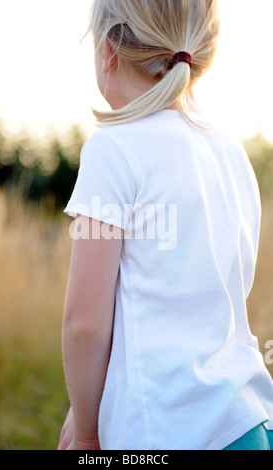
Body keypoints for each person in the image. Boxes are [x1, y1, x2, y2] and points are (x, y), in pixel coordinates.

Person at [58, 0, 273, 451]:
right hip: (249, 423)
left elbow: (85, 323)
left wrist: (87, 431)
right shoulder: (233, 155)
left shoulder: (113, 151)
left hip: (163, 431)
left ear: (108, 51)